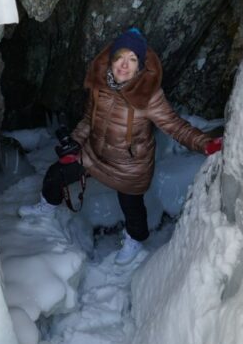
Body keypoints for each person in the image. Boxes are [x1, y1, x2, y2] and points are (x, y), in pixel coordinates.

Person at [18, 28, 222, 265]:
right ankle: (47, 207)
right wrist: (74, 142)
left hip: (130, 164)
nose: (124, 65)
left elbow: (175, 126)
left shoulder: (149, 95)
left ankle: (135, 240)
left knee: (132, 208)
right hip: (95, 153)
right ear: (112, 60)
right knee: (56, 173)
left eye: (132, 60)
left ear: (140, 66)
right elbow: (88, 119)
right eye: (120, 58)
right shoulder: (100, 85)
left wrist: (205, 144)